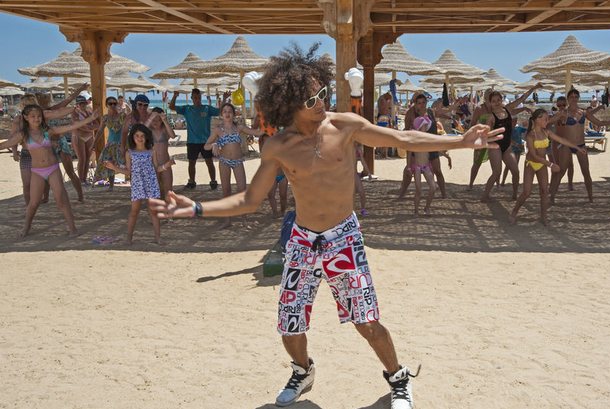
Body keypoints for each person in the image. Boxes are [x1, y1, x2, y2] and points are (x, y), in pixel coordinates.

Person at [148, 43, 502, 409]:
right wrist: (198, 208)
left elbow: (402, 138)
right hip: (302, 240)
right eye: (311, 99)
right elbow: (249, 200)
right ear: (289, 104)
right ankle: (303, 371)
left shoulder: (344, 126)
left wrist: (459, 141)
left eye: (323, 93)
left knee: (367, 322)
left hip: (343, 237)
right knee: (290, 324)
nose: (321, 102)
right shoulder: (278, 146)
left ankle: (398, 378)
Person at [0, 104, 99, 237]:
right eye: (33, 116)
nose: (37, 119)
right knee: (33, 203)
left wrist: (90, 119)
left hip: (52, 169)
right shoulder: (23, 135)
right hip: (37, 172)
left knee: (61, 200)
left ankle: (72, 228)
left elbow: (70, 127)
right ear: (26, 117)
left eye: (39, 116)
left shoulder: (48, 131)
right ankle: (26, 227)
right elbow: (4, 144)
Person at [509, 109, 586, 226]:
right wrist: (550, 164)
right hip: (531, 164)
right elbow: (534, 156)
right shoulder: (530, 135)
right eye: (545, 119)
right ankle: (514, 212)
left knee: (544, 191)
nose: (547, 121)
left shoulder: (546, 132)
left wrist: (577, 148)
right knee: (526, 192)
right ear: (537, 120)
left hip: (542, 164)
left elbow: (562, 140)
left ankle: (543, 217)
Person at [548, 88, 610, 204]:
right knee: (561, 171)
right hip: (567, 145)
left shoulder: (583, 113)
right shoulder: (563, 113)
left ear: (579, 98)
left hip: (581, 145)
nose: (574, 99)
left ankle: (590, 198)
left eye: (576, 97)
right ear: (568, 99)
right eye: (571, 97)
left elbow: (598, 123)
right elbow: (548, 122)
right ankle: (552, 197)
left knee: (586, 172)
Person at [106, 124, 173, 244]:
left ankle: (158, 238)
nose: (140, 138)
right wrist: (114, 168)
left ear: (147, 137)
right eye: (137, 135)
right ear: (132, 137)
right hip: (137, 185)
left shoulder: (151, 151)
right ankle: (129, 238)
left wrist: (166, 165)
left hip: (151, 184)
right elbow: (128, 171)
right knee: (134, 211)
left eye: (142, 136)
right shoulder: (129, 153)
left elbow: (156, 168)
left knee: (154, 212)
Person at [204, 103, 260, 227]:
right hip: (224, 161)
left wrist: (268, 125)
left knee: (242, 190)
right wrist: (214, 145)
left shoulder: (239, 128)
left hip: (238, 161)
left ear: (234, 114)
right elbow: (205, 146)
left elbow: (256, 133)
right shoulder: (218, 130)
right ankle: (227, 220)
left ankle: (244, 220)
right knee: (226, 191)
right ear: (221, 114)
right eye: (224, 111)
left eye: (230, 111)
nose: (227, 113)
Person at [169, 88, 230, 190]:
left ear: (201, 97)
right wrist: (175, 96)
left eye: (199, 97)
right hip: (192, 141)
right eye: (195, 97)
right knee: (191, 162)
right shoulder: (187, 109)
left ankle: (213, 181)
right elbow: (171, 107)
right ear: (192, 98)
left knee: (209, 162)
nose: (197, 99)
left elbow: (220, 111)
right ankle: (192, 181)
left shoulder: (207, 108)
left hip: (206, 141)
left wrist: (224, 99)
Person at [479, 90, 529, 202]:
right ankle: (485, 196)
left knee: (515, 172)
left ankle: (515, 195)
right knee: (497, 172)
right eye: (493, 101)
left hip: (507, 147)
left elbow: (521, 99)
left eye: (498, 100)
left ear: (501, 100)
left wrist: (534, 88)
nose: (496, 103)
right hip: (495, 146)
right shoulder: (491, 118)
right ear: (490, 103)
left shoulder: (507, 109)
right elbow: (486, 135)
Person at [92, 96, 127, 191]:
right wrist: (94, 144)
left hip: (122, 143)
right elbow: (100, 131)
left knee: (126, 164)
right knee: (108, 163)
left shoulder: (123, 116)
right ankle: (111, 186)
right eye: (110, 104)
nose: (112, 105)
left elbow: (127, 130)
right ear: (106, 105)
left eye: (114, 103)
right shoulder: (105, 118)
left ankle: (133, 184)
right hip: (110, 144)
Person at [70, 94, 100, 185]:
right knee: (82, 159)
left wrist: (87, 128)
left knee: (87, 159)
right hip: (79, 137)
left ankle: (84, 179)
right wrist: (90, 128)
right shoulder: (75, 113)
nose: (83, 105)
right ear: (77, 104)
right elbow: (78, 125)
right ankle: (81, 180)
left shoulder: (89, 113)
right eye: (81, 104)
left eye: (84, 103)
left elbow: (97, 124)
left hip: (89, 137)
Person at [150, 107, 178, 198]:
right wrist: (150, 118)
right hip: (152, 164)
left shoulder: (165, 129)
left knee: (168, 191)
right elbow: (141, 129)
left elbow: (173, 136)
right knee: (155, 192)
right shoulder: (148, 130)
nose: (156, 122)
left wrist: (165, 121)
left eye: (158, 120)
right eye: (153, 120)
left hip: (165, 161)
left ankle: (168, 206)